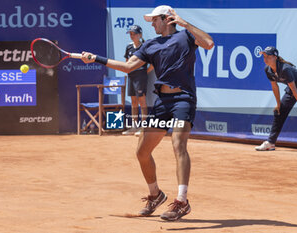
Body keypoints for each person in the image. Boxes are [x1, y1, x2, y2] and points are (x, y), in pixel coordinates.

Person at [81, 5, 214, 221]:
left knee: (179, 144)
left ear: (166, 19)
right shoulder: (150, 45)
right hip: (162, 102)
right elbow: (128, 67)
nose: (151, 24)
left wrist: (185, 24)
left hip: (183, 100)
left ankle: (182, 201)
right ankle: (156, 195)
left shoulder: (186, 37)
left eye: (154, 20)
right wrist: (96, 58)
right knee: (142, 152)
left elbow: (209, 43)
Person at [255, 46, 297, 156]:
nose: (265, 58)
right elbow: (275, 87)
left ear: (275, 57)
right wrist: (278, 105)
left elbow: (295, 89)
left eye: (268, 56)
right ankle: (270, 143)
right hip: (292, 89)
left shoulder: (285, 69)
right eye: (264, 56)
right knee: (279, 112)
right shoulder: (267, 69)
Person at [122, 25, 153, 136]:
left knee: (141, 101)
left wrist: (144, 73)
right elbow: (127, 62)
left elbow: (152, 64)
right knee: (134, 101)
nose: (132, 36)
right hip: (131, 76)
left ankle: (144, 128)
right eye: (130, 34)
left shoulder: (144, 47)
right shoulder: (129, 47)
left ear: (140, 34)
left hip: (141, 77)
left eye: (134, 34)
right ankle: (134, 127)